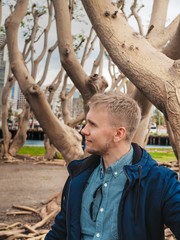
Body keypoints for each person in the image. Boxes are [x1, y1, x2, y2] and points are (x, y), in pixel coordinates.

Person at [45, 91, 180, 240]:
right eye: (86, 123)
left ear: (118, 134)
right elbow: (60, 232)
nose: (84, 130)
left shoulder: (160, 182)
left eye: (93, 125)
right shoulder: (78, 176)